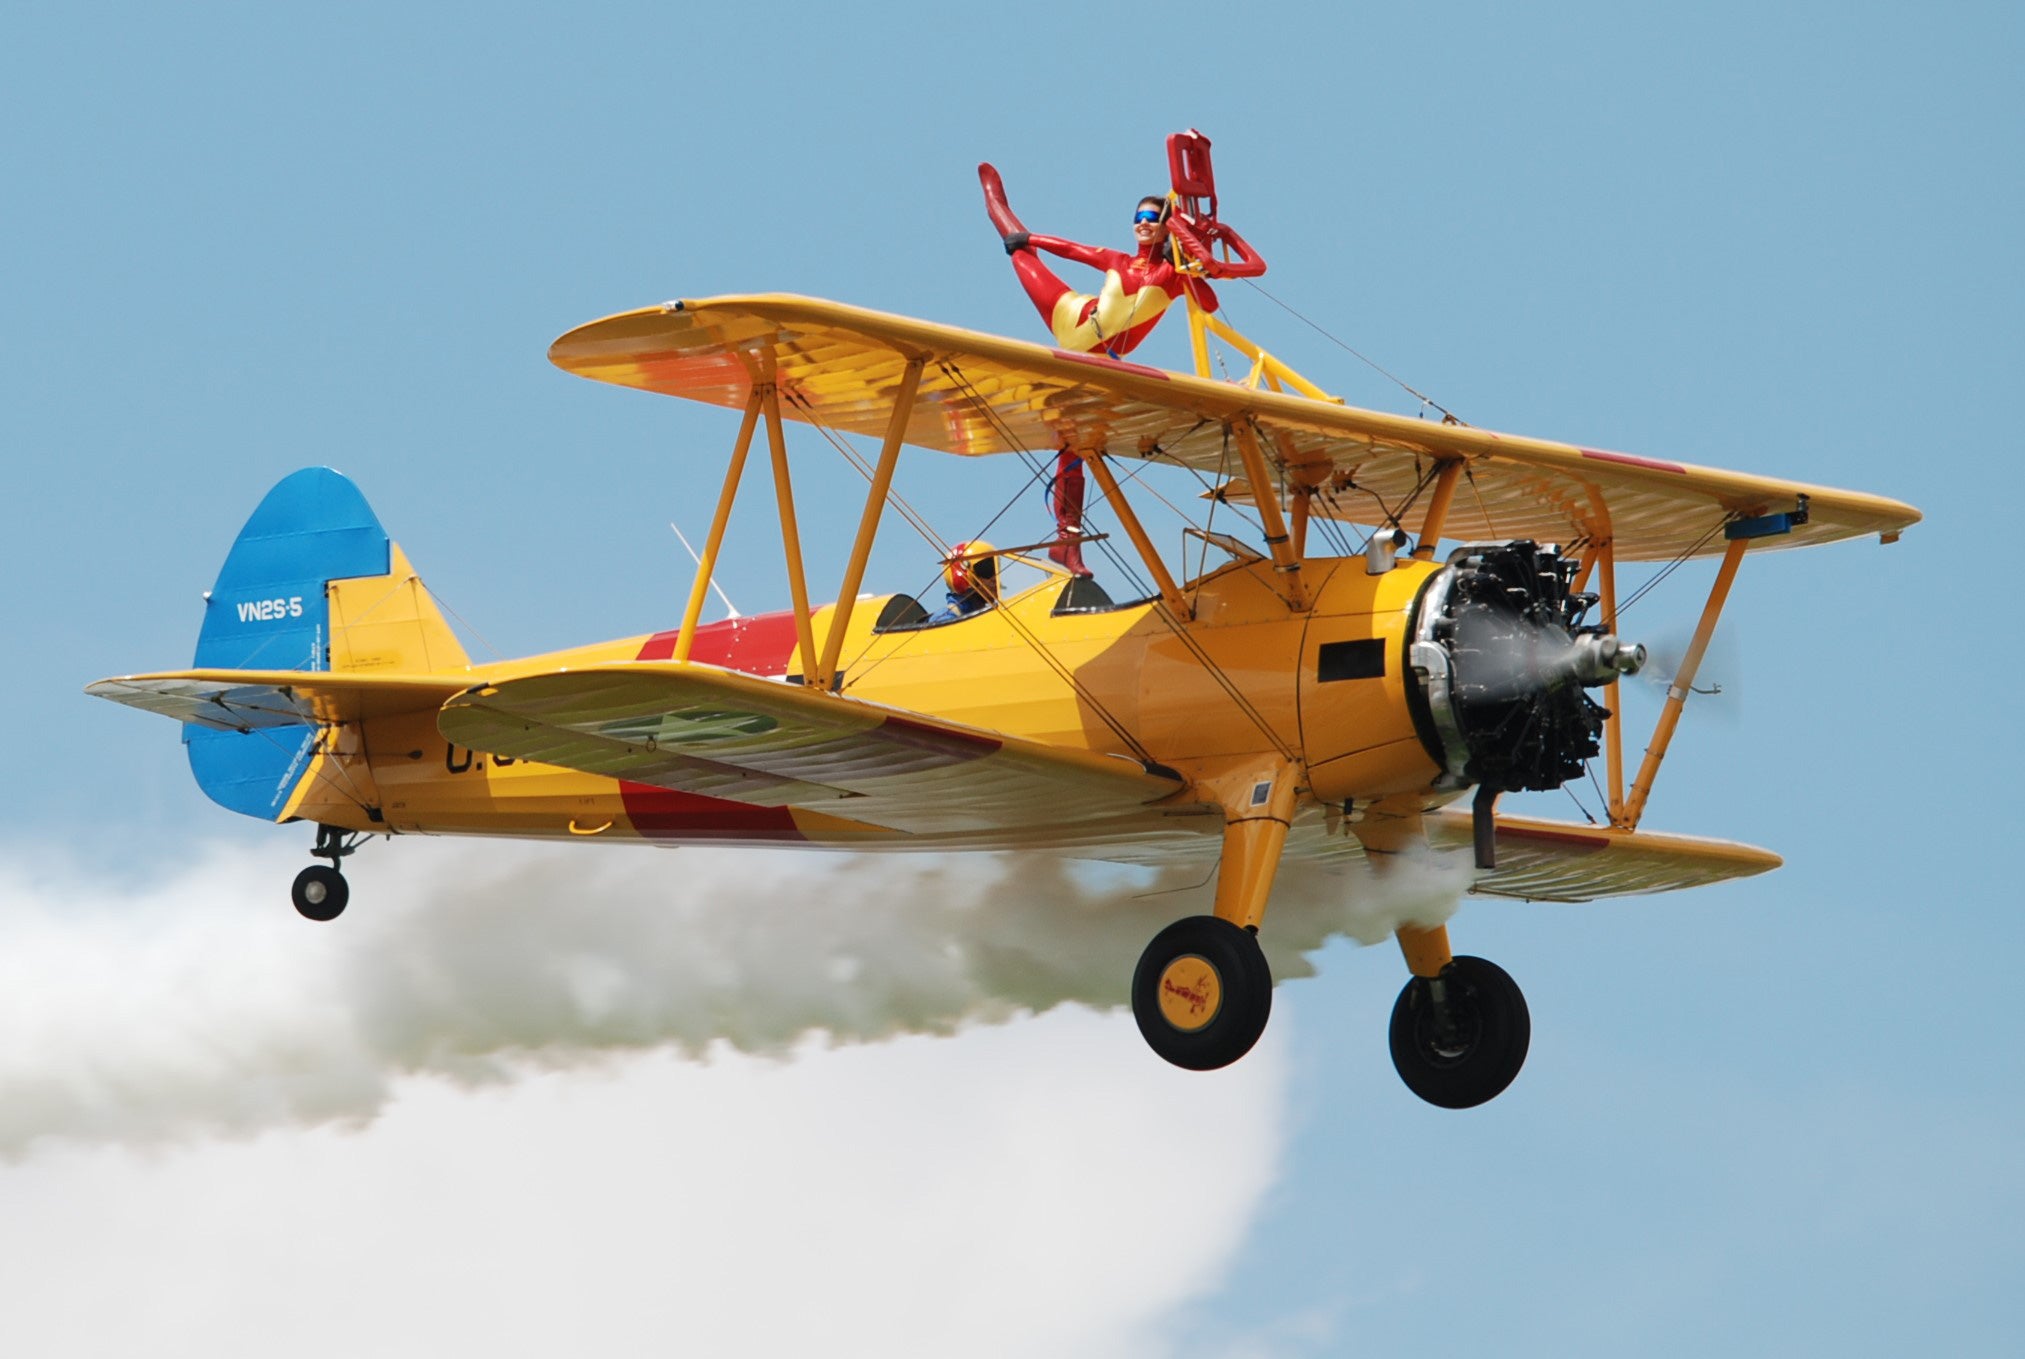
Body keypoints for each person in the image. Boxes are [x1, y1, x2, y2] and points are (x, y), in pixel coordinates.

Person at [980, 163, 1218, 358]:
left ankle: (1010, 225)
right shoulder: (1118, 260)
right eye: (1139, 217)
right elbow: (1073, 250)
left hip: (1101, 357)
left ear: (1168, 227)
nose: (1143, 223)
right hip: (1069, 314)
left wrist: (1185, 265)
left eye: (1152, 217)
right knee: (1021, 254)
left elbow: (1209, 304)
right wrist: (1029, 238)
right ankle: (995, 205)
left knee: (1022, 251)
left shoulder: (1172, 275)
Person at [930, 540, 999, 623]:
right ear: (964, 578)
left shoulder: (994, 614)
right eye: (987, 570)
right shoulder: (945, 619)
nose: (995, 577)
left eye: (998, 568)